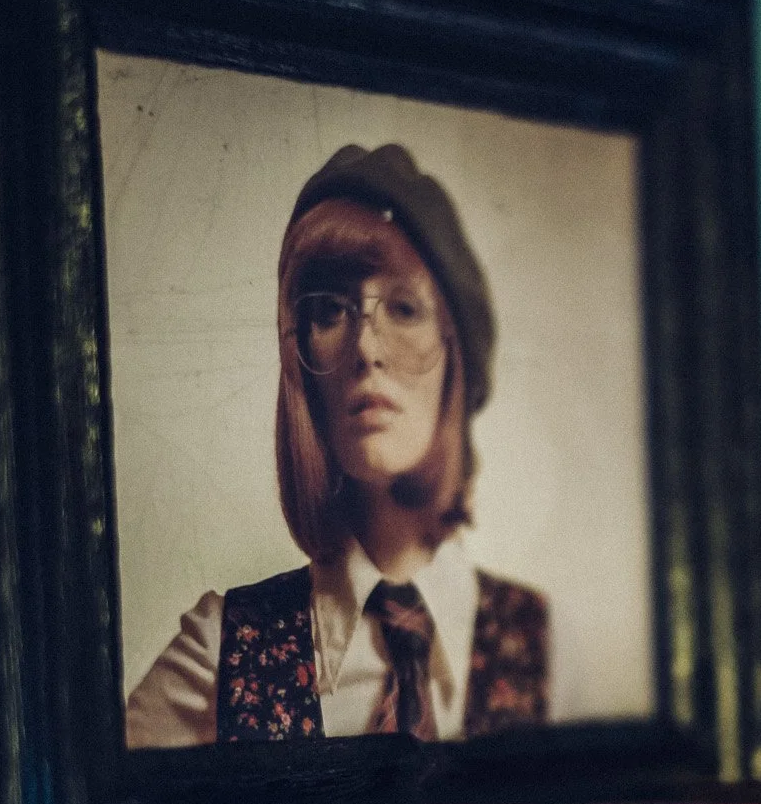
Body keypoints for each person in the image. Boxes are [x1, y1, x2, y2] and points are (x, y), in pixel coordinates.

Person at [125, 143, 550, 747]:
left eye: (404, 308)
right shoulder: (221, 652)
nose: (367, 349)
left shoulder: (546, 648)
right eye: (328, 311)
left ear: (456, 355)